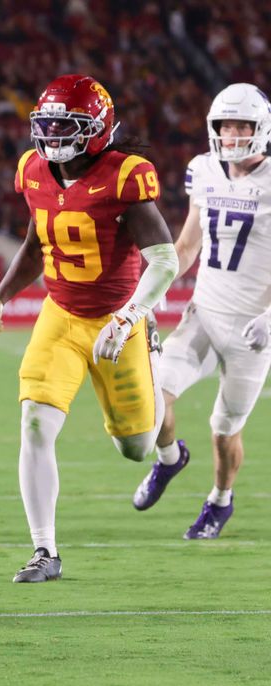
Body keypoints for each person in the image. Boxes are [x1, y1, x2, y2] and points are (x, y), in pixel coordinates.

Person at [0, 75, 180, 582]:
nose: (51, 136)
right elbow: (34, 244)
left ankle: (157, 379)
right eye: (45, 125)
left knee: (134, 448)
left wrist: (132, 316)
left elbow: (165, 261)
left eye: (64, 126)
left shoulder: (125, 176)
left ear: (96, 129)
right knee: (35, 424)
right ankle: (45, 551)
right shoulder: (33, 170)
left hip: (119, 320)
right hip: (61, 315)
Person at [132, 83, 271, 539]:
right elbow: (188, 244)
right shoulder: (204, 170)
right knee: (151, 401)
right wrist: (151, 290)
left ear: (260, 129)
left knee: (223, 430)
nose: (231, 135)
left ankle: (220, 500)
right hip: (203, 315)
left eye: (241, 126)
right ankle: (171, 458)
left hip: (253, 329)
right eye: (225, 125)